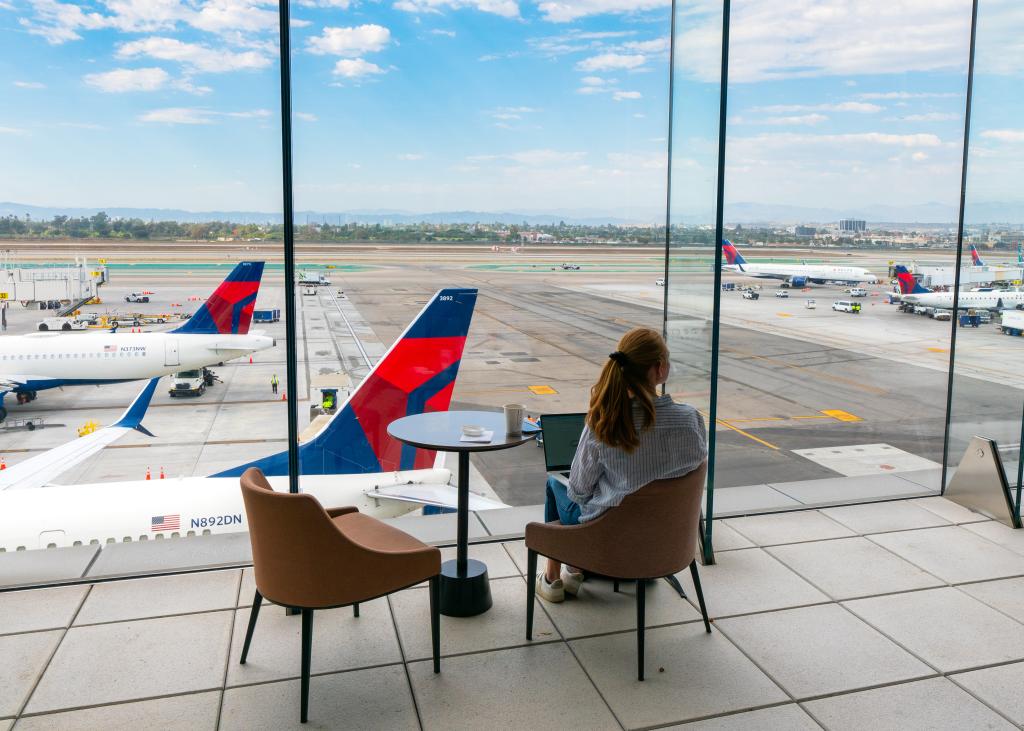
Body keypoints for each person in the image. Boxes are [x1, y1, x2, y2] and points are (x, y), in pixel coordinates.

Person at [537, 327, 707, 603]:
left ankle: (554, 577)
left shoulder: (603, 425)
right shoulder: (691, 420)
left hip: (612, 537)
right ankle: (574, 567)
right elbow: (692, 469)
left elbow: (578, 492)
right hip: (670, 538)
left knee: (554, 485)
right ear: (660, 369)